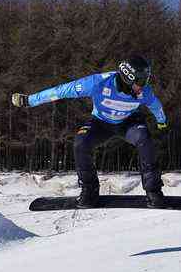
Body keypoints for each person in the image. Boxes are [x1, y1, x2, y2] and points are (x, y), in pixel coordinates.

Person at [12, 56, 168, 208]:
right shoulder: (97, 83)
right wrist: (30, 100)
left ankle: (153, 191)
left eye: (146, 80)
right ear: (128, 78)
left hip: (128, 123)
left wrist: (162, 122)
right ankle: (89, 191)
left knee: (144, 139)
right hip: (100, 123)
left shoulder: (144, 92)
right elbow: (62, 91)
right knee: (80, 143)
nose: (144, 85)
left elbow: (156, 106)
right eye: (141, 81)